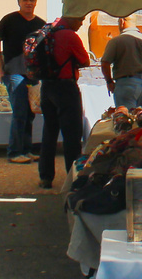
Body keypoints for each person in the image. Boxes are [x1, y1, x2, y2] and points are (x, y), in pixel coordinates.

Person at [0, 0, 44, 164]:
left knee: (30, 113)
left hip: (32, 74)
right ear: (19, 2)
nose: (28, 3)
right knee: (20, 112)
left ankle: (26, 150)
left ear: (36, 2)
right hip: (13, 73)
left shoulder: (40, 23)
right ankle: (14, 152)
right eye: (25, 0)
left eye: (31, 0)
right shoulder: (9, 20)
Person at [37, 15, 90, 192]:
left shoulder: (46, 33)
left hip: (47, 86)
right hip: (66, 86)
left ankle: (45, 177)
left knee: (49, 133)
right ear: (71, 18)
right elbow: (85, 61)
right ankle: (72, 178)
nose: (81, 23)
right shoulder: (70, 36)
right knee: (72, 135)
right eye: (80, 20)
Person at [101, 20, 142, 112]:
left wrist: (109, 81)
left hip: (126, 85)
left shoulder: (116, 41)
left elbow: (105, 63)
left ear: (122, 21)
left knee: (126, 118)